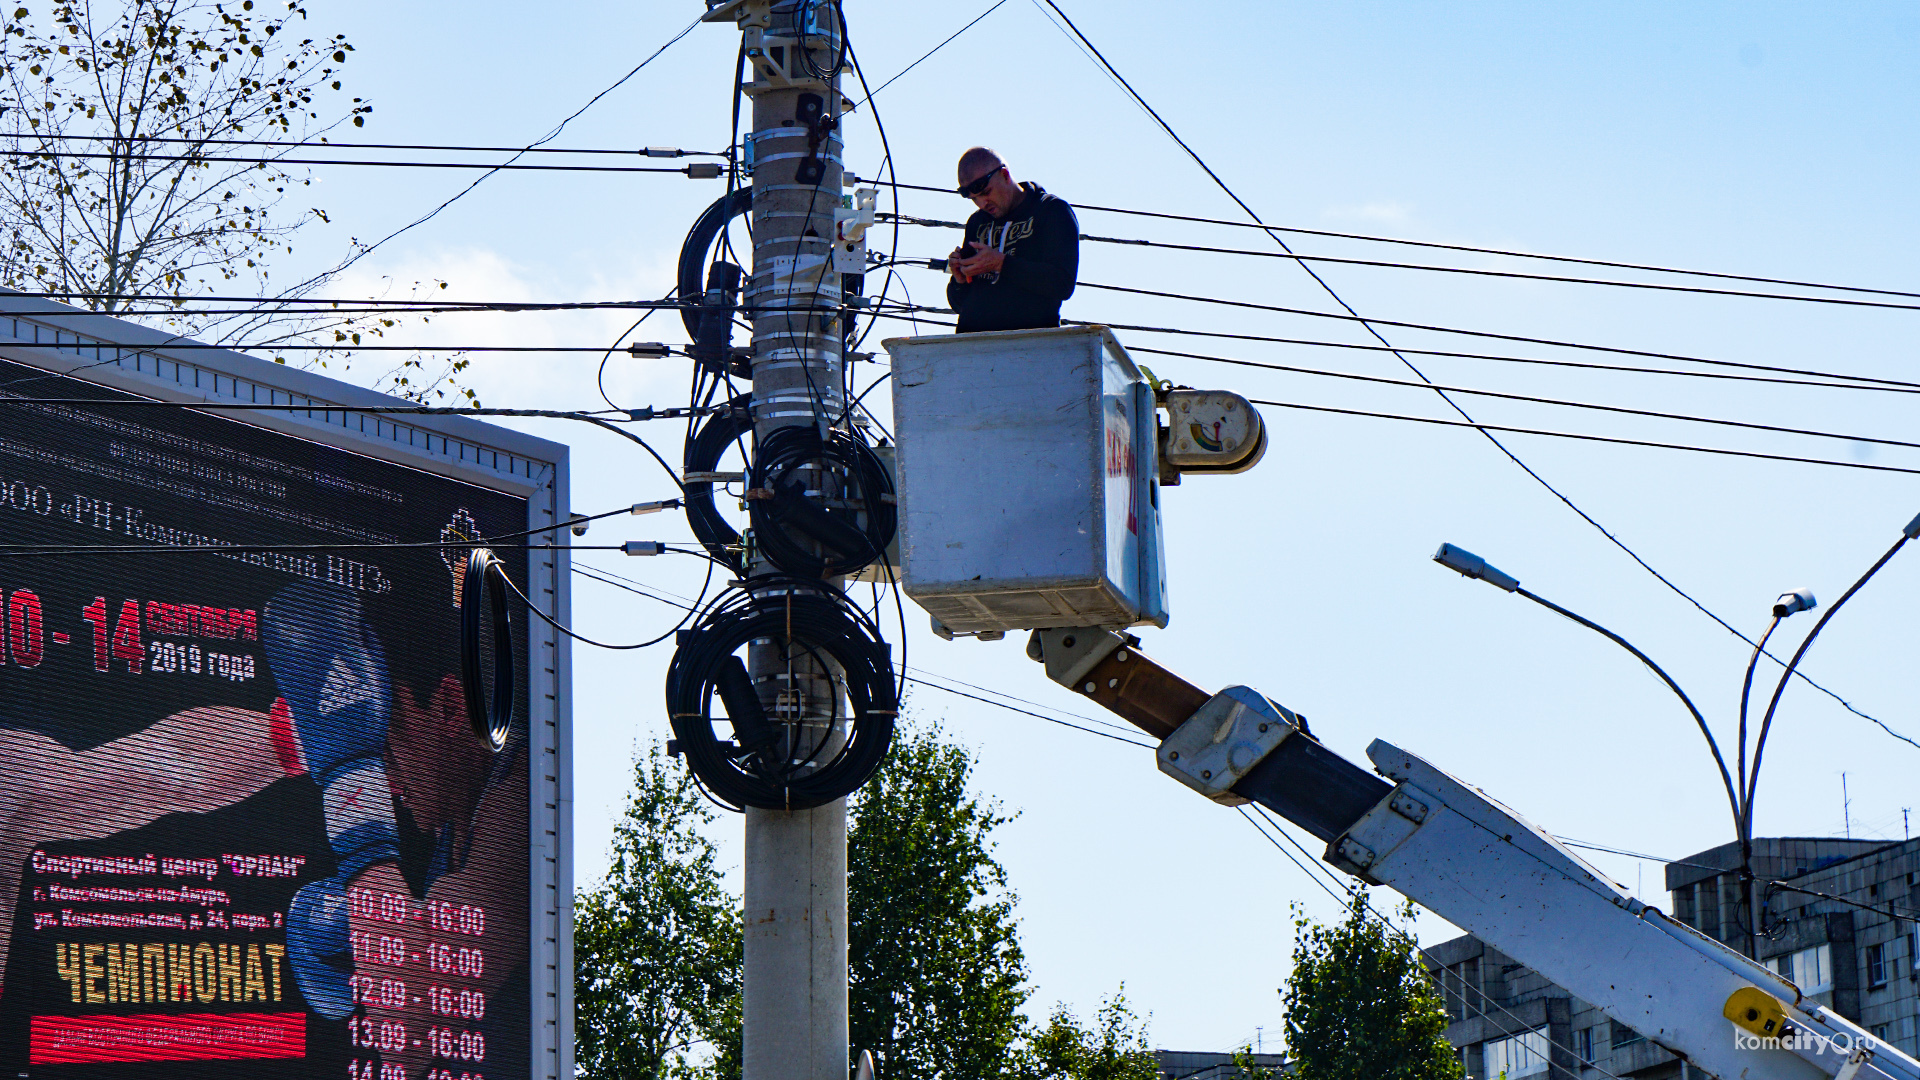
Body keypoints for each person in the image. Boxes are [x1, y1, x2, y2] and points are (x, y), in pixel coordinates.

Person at [946, 147, 1080, 333]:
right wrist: (959, 280)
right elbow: (960, 305)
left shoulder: (1051, 211)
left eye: (986, 193)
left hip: (1030, 348)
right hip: (973, 349)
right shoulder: (977, 222)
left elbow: (1062, 284)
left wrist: (1002, 264)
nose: (982, 204)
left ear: (1005, 174)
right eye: (974, 199)